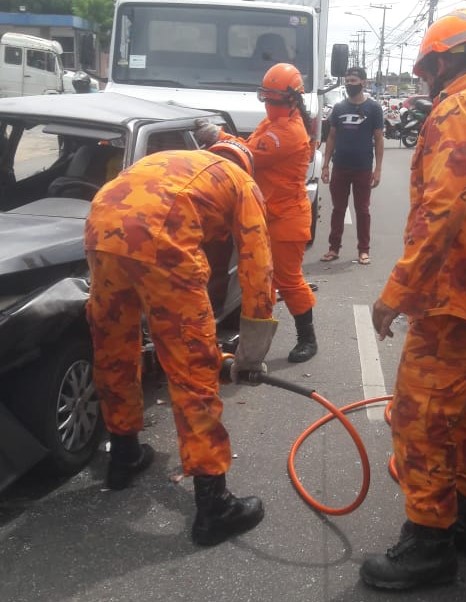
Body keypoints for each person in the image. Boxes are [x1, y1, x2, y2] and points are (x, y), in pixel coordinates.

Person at [362, 8, 466, 590]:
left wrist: (395, 294)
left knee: (421, 419)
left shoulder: (458, 110)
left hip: (454, 298)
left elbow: (443, 211)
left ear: (441, 61)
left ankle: (429, 544)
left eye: (427, 68)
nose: (425, 80)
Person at [84, 140, 278, 547]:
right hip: (161, 237)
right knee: (194, 368)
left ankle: (123, 456)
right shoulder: (242, 182)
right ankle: (214, 506)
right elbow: (257, 266)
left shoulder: (170, 162)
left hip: (101, 226)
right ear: (245, 165)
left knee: (114, 349)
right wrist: (252, 353)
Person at [194, 63, 318, 363]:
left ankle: (308, 339)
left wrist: (219, 136)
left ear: (290, 99)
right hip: (266, 214)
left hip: (286, 218)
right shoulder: (274, 123)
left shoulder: (287, 132)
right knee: (261, 281)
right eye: (265, 97)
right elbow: (250, 145)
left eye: (273, 98)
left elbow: (248, 155)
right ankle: (250, 344)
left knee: (288, 280)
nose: (268, 103)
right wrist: (223, 137)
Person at [319, 66, 384, 265]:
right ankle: (333, 248)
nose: (349, 85)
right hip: (340, 167)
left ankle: (363, 250)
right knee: (338, 209)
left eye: (353, 81)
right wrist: (326, 165)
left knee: (362, 210)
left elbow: (379, 139)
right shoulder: (339, 108)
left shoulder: (374, 108)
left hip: (363, 168)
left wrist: (378, 169)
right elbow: (331, 136)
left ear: (363, 83)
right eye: (347, 81)